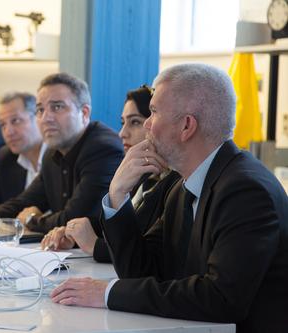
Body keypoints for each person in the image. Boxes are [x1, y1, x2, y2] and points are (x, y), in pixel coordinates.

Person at [50, 63, 288, 333]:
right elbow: (143, 272)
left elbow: (221, 298)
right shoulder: (182, 187)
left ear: (187, 125)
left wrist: (108, 293)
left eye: (152, 112)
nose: (148, 125)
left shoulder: (244, 190)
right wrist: (117, 196)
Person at [41, 86, 180, 261]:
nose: (122, 133)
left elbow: (147, 253)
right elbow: (127, 228)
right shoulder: (146, 177)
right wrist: (75, 231)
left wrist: (94, 245)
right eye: (123, 123)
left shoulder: (176, 181)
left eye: (135, 122)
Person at [0, 73, 124, 233]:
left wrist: (31, 220)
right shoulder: (52, 152)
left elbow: (74, 220)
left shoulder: (103, 149)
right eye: (40, 109)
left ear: (84, 113)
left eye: (57, 107)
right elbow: (26, 201)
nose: (46, 118)